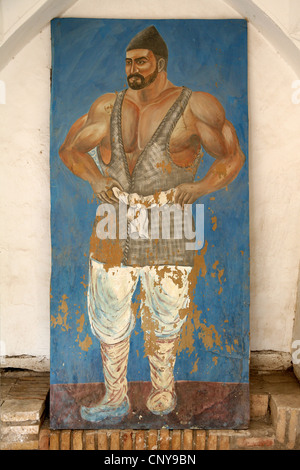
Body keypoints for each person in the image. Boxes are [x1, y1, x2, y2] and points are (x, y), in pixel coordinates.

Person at [59, 26, 245, 422]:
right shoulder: (108, 106)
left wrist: (200, 186)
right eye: (128, 61)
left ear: (159, 63)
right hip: (115, 218)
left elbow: (231, 155)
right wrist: (95, 179)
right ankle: (115, 397)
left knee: (166, 310)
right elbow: (71, 149)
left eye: (140, 61)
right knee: (108, 310)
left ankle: (162, 390)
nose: (132, 68)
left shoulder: (195, 106)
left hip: (170, 217)